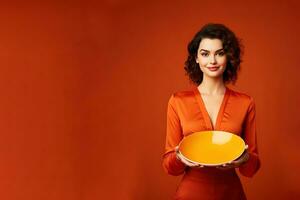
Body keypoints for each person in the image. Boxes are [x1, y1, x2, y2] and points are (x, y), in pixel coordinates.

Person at [162, 23, 261, 199]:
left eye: (220, 53)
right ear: (196, 58)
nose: (212, 61)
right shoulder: (178, 101)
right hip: (191, 194)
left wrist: (245, 158)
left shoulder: (246, 103)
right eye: (205, 54)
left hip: (231, 194)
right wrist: (179, 157)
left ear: (229, 57)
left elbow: (251, 169)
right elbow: (169, 167)